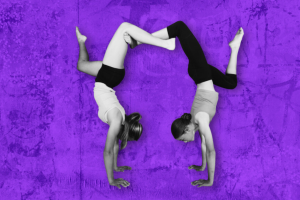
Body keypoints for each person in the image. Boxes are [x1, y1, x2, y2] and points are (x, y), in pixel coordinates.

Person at [125, 21, 244, 187]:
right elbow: (205, 145)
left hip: (201, 72)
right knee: (231, 83)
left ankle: (140, 40)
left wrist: (209, 181)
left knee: (180, 27)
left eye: (183, 139)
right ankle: (235, 47)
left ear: (187, 129)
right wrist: (201, 166)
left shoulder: (201, 120)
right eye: (183, 140)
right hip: (200, 74)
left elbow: (211, 151)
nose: (186, 142)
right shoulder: (196, 123)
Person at [75, 22, 175, 189]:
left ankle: (81, 41)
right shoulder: (116, 119)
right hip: (109, 76)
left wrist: (115, 168)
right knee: (124, 28)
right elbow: (107, 151)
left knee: (81, 65)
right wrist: (111, 180)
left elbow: (113, 147)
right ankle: (165, 43)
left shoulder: (118, 121)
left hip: (106, 77)